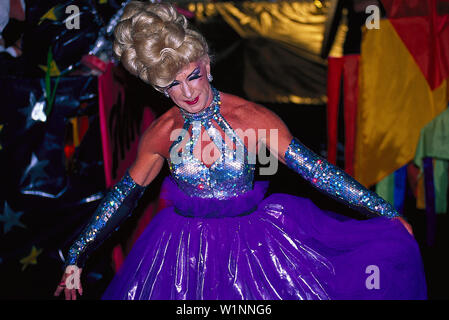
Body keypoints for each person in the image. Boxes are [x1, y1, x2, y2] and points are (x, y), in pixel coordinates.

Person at [54, 1, 426, 300]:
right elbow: (123, 196)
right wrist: (76, 255)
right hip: (180, 254)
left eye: (192, 75)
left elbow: (319, 173)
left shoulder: (252, 119)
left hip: (253, 248)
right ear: (159, 88)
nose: (188, 92)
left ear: (207, 66)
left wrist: (386, 211)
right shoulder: (162, 133)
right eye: (172, 84)